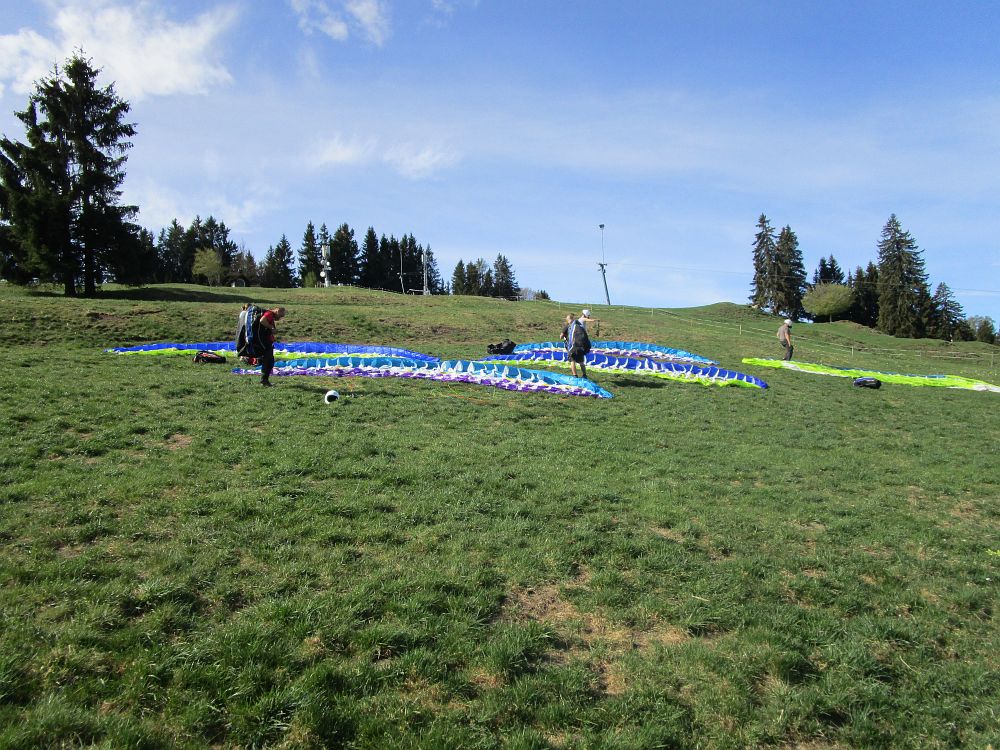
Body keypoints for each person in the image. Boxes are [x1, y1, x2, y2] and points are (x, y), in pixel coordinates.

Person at [565, 309, 597, 379]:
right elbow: (586, 319)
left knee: (572, 359)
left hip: (576, 342)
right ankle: (584, 375)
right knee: (580, 360)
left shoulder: (577, 322)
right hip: (581, 342)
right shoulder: (581, 319)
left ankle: (575, 376)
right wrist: (594, 320)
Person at [259, 306, 286, 386]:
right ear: (277, 311)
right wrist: (271, 327)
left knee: (268, 361)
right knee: (269, 361)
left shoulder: (271, 315)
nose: (280, 318)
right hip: (265, 341)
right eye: (281, 315)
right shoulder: (269, 314)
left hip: (266, 341)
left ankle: (264, 380)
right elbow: (262, 320)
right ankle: (264, 381)